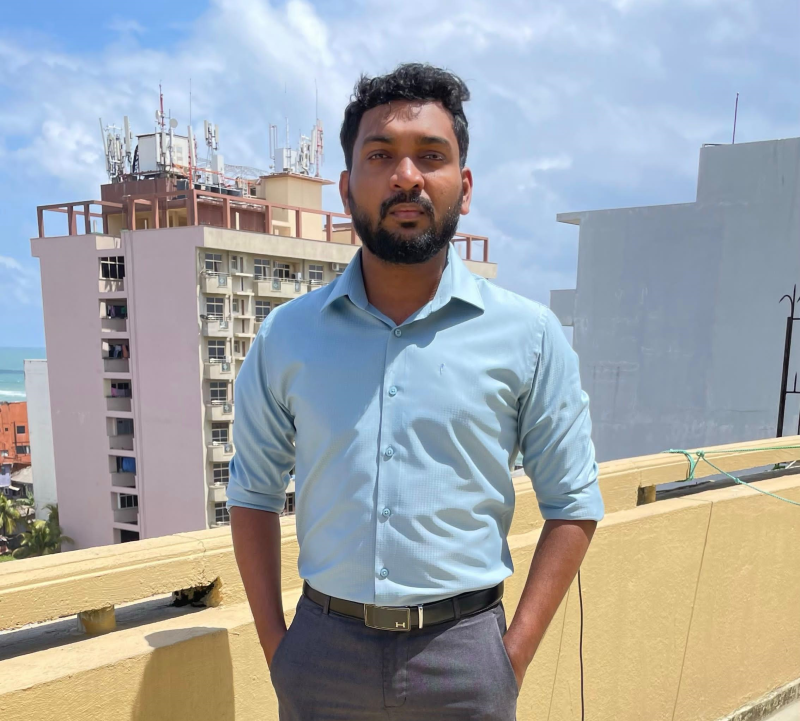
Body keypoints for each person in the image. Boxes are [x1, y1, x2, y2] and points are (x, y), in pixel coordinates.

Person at [228, 63, 604, 720]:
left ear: (464, 185)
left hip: (465, 658)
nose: (406, 177)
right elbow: (252, 494)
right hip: (321, 655)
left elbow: (574, 503)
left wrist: (509, 659)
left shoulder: (529, 335)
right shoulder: (288, 335)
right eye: (381, 156)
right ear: (347, 188)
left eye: (431, 155)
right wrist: (278, 649)